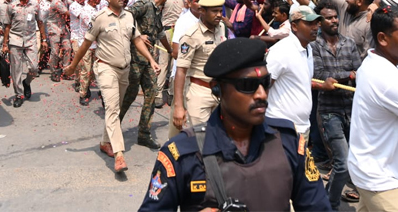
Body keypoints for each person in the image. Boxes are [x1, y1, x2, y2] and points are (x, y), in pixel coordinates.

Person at [139, 38, 331, 211]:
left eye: (265, 83)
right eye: (247, 85)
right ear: (218, 88)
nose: (261, 94)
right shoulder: (183, 154)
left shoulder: (288, 143)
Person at [63, 0, 160, 173]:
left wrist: (151, 59)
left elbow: (138, 40)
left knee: (115, 108)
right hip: (106, 69)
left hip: (124, 70)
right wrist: (73, 65)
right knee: (113, 109)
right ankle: (119, 154)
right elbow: (85, 44)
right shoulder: (100, 18)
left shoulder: (129, 17)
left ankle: (105, 142)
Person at [311, 2, 362, 209]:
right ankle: (330, 205)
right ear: (319, 22)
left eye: (335, 17)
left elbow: (358, 71)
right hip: (329, 111)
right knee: (342, 162)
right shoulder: (313, 46)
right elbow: (319, 75)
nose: (334, 21)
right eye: (328, 18)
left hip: (351, 109)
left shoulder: (349, 43)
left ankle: (325, 197)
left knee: (350, 162)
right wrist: (347, 75)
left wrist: (352, 75)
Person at [348, 6, 398, 211]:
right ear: (383, 39)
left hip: (370, 169)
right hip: (382, 181)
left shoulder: (374, 62)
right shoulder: (386, 79)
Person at [119, 0, 172, 150]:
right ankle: (113, 128)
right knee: (130, 95)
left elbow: (161, 33)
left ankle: (144, 133)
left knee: (151, 94)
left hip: (148, 62)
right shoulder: (143, 4)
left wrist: (170, 50)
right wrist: (138, 35)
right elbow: (124, 17)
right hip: (134, 59)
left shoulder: (157, 11)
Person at [172, 0, 227, 132]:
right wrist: (179, 106)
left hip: (220, 93)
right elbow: (181, 71)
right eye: (214, 11)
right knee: (201, 141)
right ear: (202, 11)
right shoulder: (191, 36)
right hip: (200, 93)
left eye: (220, 11)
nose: (219, 15)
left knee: (219, 138)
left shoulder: (220, 27)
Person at [265, 5, 322, 139]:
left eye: (316, 23)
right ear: (294, 26)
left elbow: (301, 81)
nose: (315, 28)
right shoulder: (282, 51)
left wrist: (322, 86)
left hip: (302, 128)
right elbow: (263, 86)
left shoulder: (308, 49)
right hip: (282, 128)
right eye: (309, 23)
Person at [2, 0, 47, 108]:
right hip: (15, 39)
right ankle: (19, 95)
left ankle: (26, 82)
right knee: (16, 70)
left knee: (34, 68)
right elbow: (7, 26)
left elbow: (40, 22)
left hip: (30, 39)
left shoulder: (35, 5)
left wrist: (44, 40)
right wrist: (5, 44)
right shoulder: (11, 6)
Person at [155, 0, 186, 108]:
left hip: (166, 32)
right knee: (175, 65)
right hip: (178, 32)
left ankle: (158, 95)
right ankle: (172, 94)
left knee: (163, 63)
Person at [77, 0, 103, 106]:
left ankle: (89, 88)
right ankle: (83, 93)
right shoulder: (85, 11)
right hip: (86, 45)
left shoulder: (97, 9)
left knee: (95, 70)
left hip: (96, 45)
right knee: (86, 71)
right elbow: (93, 27)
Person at [43, 0, 71, 82]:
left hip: (63, 28)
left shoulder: (65, 0)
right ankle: (54, 71)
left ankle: (66, 71)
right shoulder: (56, 2)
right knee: (55, 51)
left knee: (67, 48)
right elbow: (68, 13)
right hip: (54, 28)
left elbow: (72, 3)